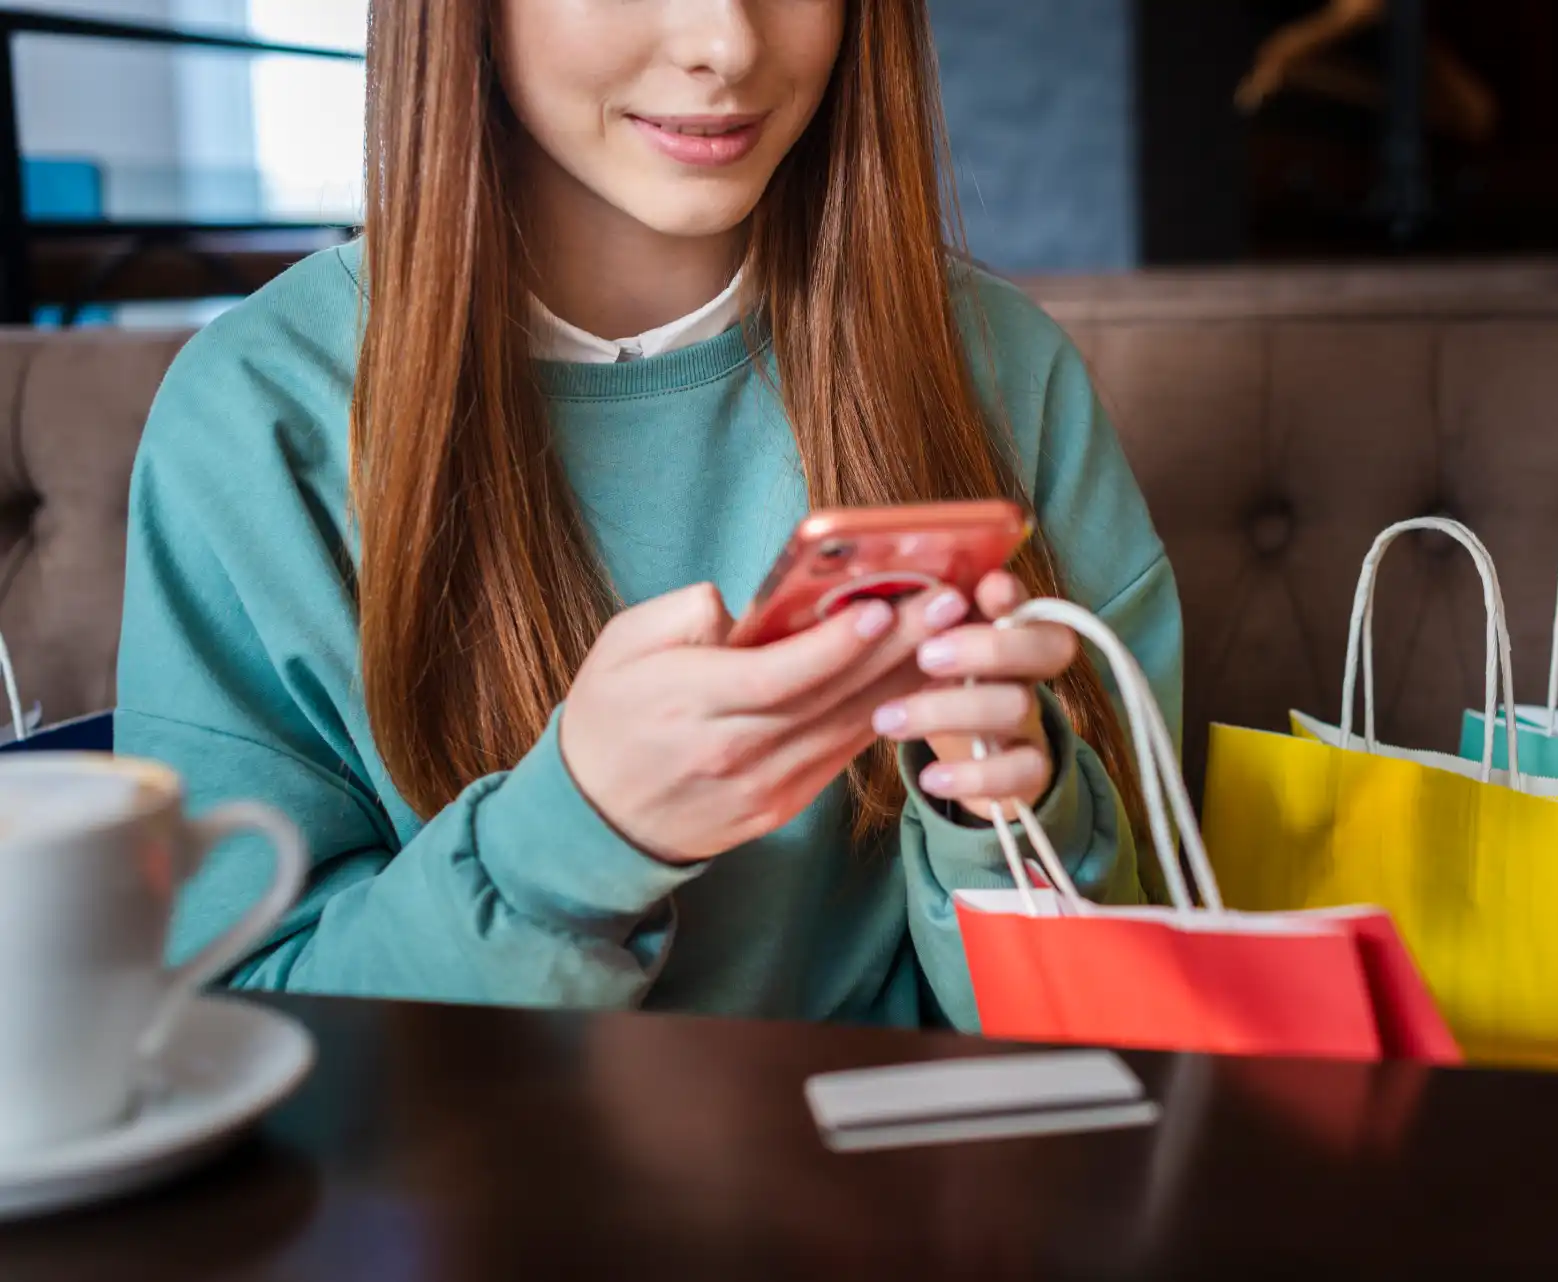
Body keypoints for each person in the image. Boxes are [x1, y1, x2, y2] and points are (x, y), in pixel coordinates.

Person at [117, 0, 1180, 1029]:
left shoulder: (1001, 369)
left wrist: (1002, 815)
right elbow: (234, 1029)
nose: (726, 42)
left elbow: (1135, 1012)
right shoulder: (258, 413)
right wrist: (572, 836)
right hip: (455, 1199)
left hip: (918, 1190)